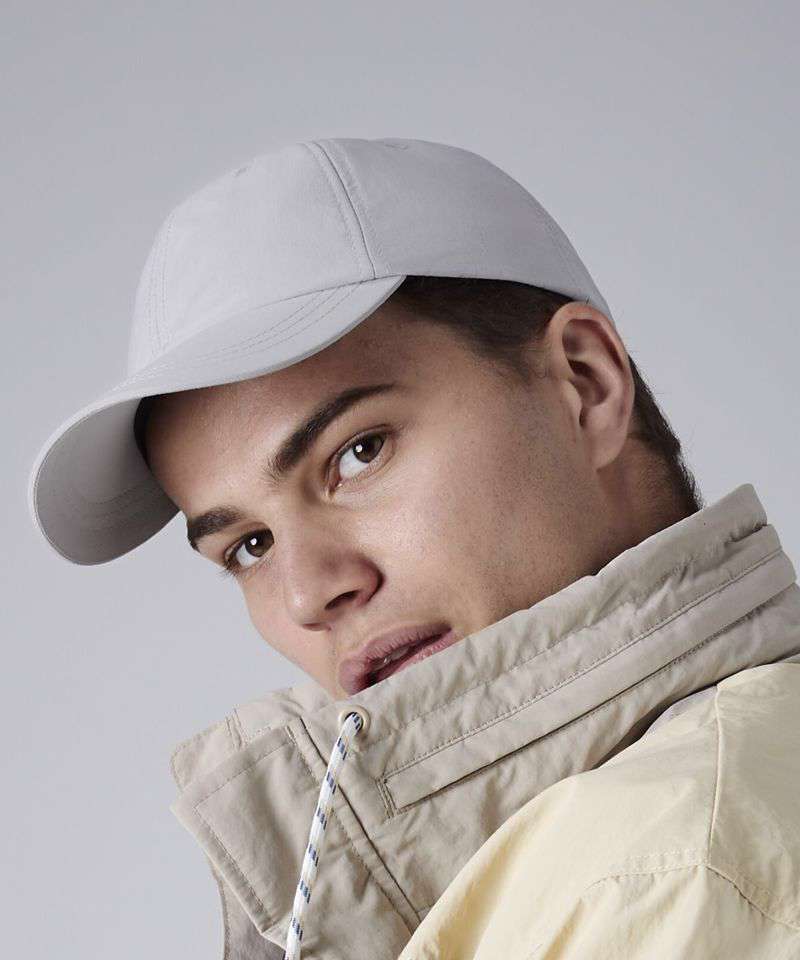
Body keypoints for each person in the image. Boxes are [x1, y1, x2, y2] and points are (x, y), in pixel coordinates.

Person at [28, 137, 800, 959]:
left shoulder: (670, 872)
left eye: (359, 453)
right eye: (250, 545)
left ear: (586, 383)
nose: (307, 593)